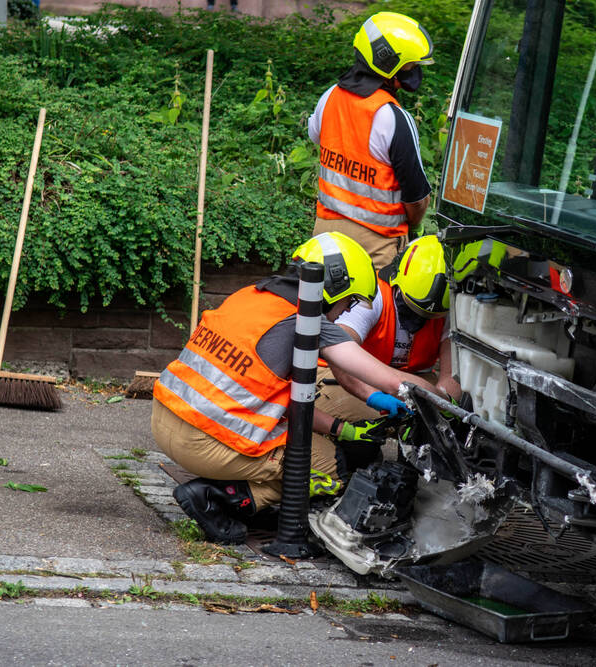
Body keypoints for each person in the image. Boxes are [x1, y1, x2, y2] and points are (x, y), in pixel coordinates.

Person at [150, 232, 443, 544]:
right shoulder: (306, 321)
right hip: (204, 442)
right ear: (336, 285)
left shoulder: (251, 296)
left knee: (313, 442)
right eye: (350, 301)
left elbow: (277, 398)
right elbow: (389, 378)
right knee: (333, 468)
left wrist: (342, 428)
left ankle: (235, 487)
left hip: (166, 420)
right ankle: (220, 497)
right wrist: (450, 405)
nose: (345, 312)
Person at [308, 12, 435, 269]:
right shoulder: (393, 118)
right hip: (377, 247)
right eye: (410, 66)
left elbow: (318, 138)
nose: (414, 72)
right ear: (388, 64)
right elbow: (417, 200)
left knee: (317, 304)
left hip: (324, 237)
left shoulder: (329, 97)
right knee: (378, 309)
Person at [314, 235, 461, 437]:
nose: (420, 320)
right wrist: (372, 395)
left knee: (429, 425)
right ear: (397, 283)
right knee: (375, 423)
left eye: (429, 316)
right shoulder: (373, 297)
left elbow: (452, 377)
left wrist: (442, 405)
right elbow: (337, 353)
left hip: (412, 378)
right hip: (350, 375)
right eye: (415, 309)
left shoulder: (448, 310)